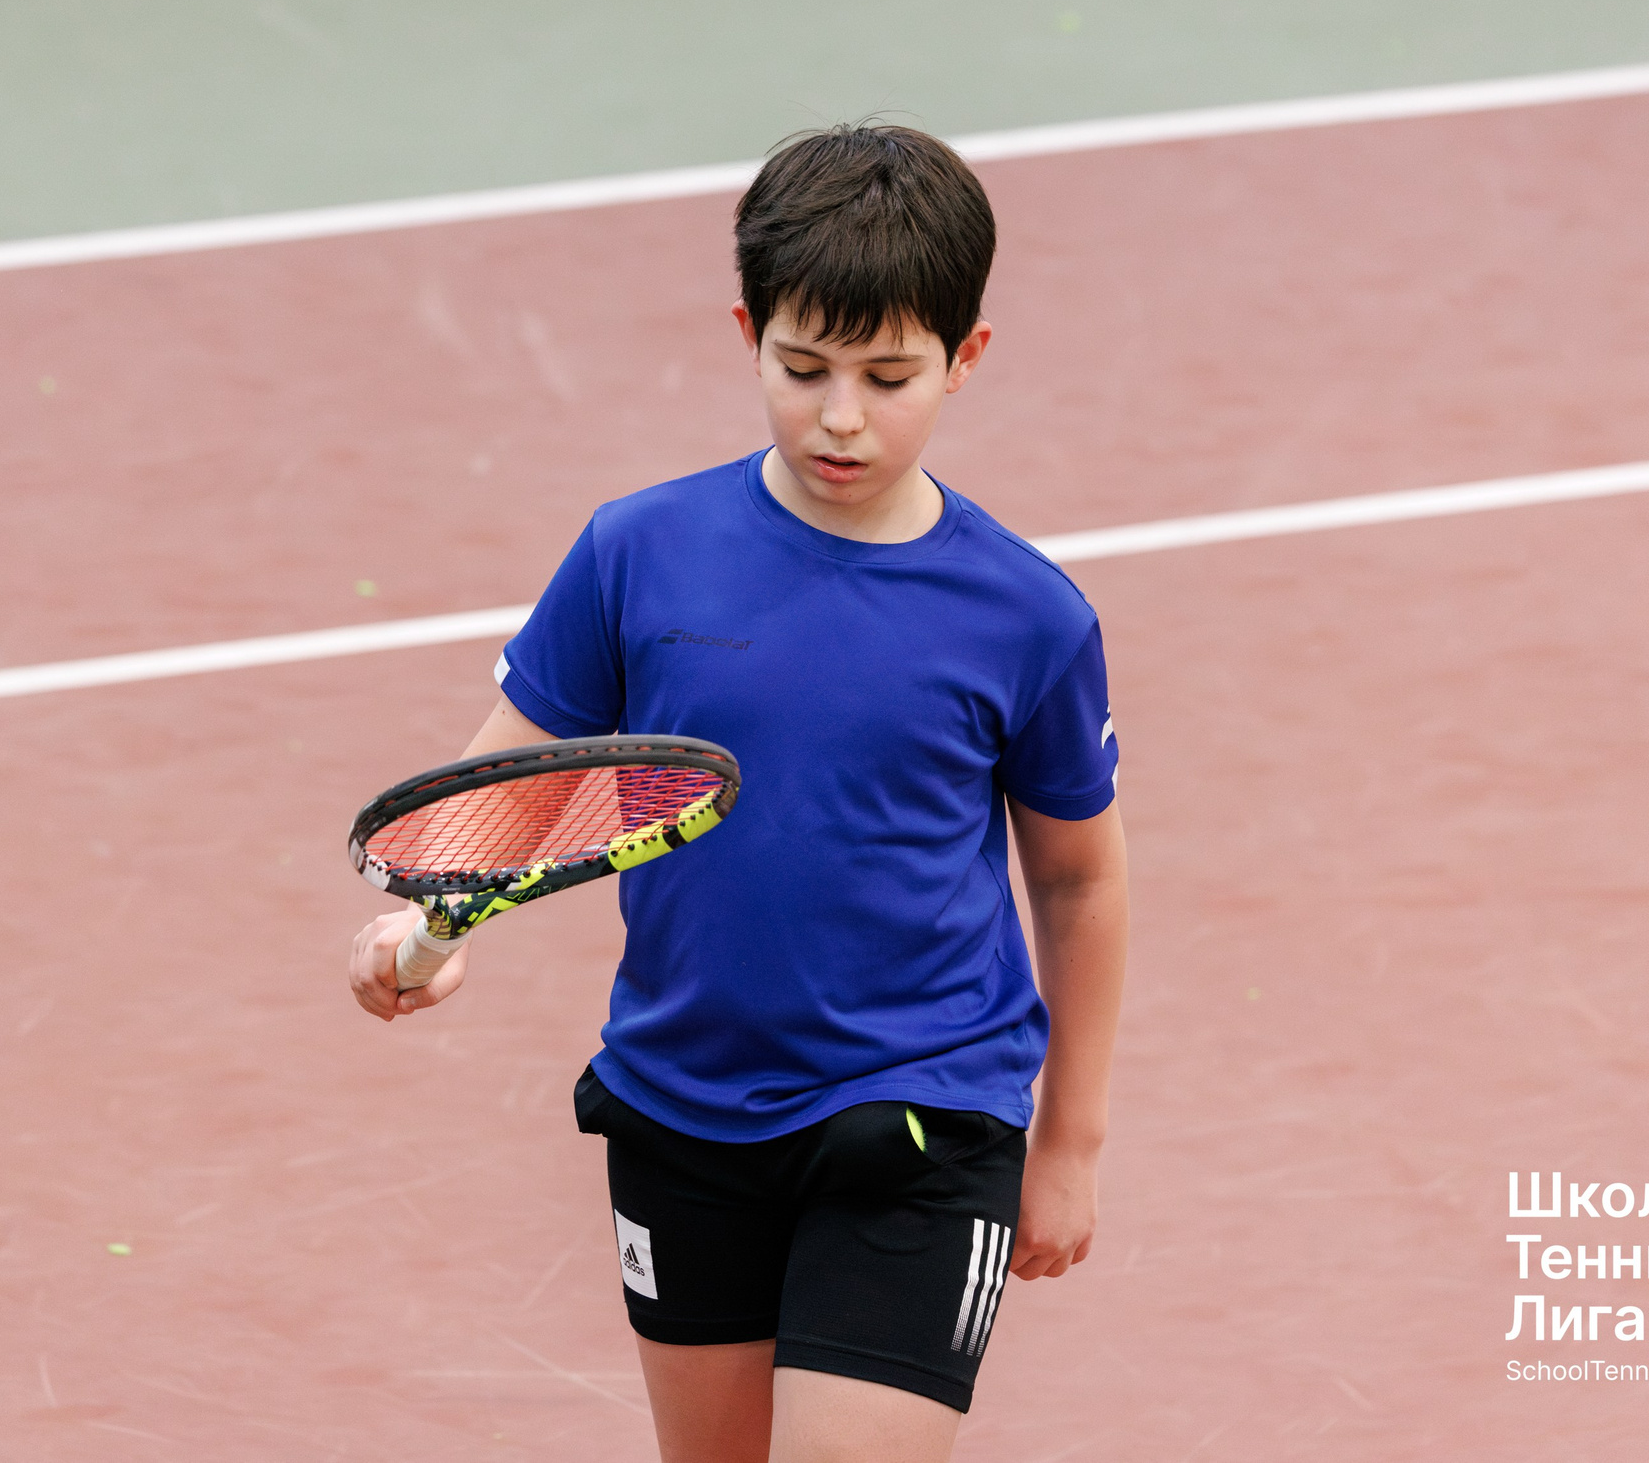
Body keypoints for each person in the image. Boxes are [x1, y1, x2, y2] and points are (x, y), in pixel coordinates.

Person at [350, 124, 1131, 1463]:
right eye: (802, 367)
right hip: (684, 1106)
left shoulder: (1027, 616)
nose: (841, 415)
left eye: (890, 377)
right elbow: (503, 793)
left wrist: (1071, 1143)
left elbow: (1079, 876)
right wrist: (415, 925)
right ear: (746, 333)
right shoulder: (637, 552)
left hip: (925, 1112)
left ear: (966, 359)